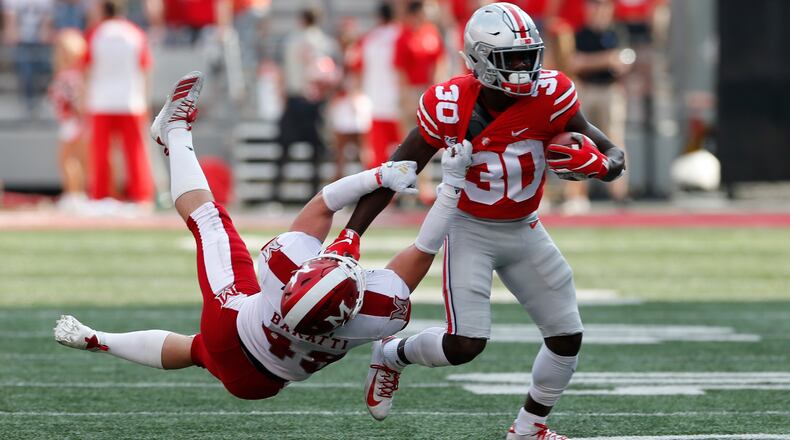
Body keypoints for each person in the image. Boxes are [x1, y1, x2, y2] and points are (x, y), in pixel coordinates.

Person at [53, 71, 472, 400]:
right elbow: (425, 248)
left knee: (210, 223)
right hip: (259, 385)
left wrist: (386, 176)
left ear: (291, 284)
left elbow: (326, 204)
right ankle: (99, 339)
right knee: (196, 352)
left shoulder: (287, 269)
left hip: (233, 328)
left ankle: (174, 131)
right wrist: (449, 185)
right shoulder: (376, 312)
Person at [349, 4, 625, 439]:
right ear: (479, 59)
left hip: (525, 226)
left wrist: (601, 167)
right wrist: (351, 235)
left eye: (528, 56)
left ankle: (529, 428)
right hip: (470, 227)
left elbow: (611, 151)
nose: (522, 68)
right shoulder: (450, 103)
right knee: (465, 346)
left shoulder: (552, 94)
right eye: (509, 59)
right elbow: (397, 173)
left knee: (567, 335)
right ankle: (393, 353)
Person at [562, 0, 630, 214]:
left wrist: (596, 61)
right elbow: (575, 62)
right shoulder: (581, 33)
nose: (598, 10)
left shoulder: (616, 32)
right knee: (578, 140)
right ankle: (576, 195)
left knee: (615, 139)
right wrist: (605, 60)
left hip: (610, 89)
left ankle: (620, 193)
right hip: (586, 88)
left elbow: (622, 62)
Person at [84, 0, 154, 206]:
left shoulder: (94, 33)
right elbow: (145, 68)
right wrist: (145, 99)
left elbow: (87, 68)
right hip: (131, 100)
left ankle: (99, 196)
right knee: (135, 152)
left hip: (100, 101)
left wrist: (84, 98)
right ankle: (141, 196)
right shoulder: (135, 33)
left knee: (100, 153)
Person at [359, 1, 403, 170]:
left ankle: (381, 194)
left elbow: (360, 68)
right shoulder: (401, 35)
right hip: (397, 100)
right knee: (403, 152)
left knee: (378, 155)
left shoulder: (369, 38)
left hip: (374, 102)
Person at [49, 28, 88, 212]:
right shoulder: (71, 73)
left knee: (67, 160)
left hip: (72, 121)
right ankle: (76, 194)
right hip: (70, 121)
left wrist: (79, 120)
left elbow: (76, 101)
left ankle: (73, 195)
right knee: (72, 159)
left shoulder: (70, 75)